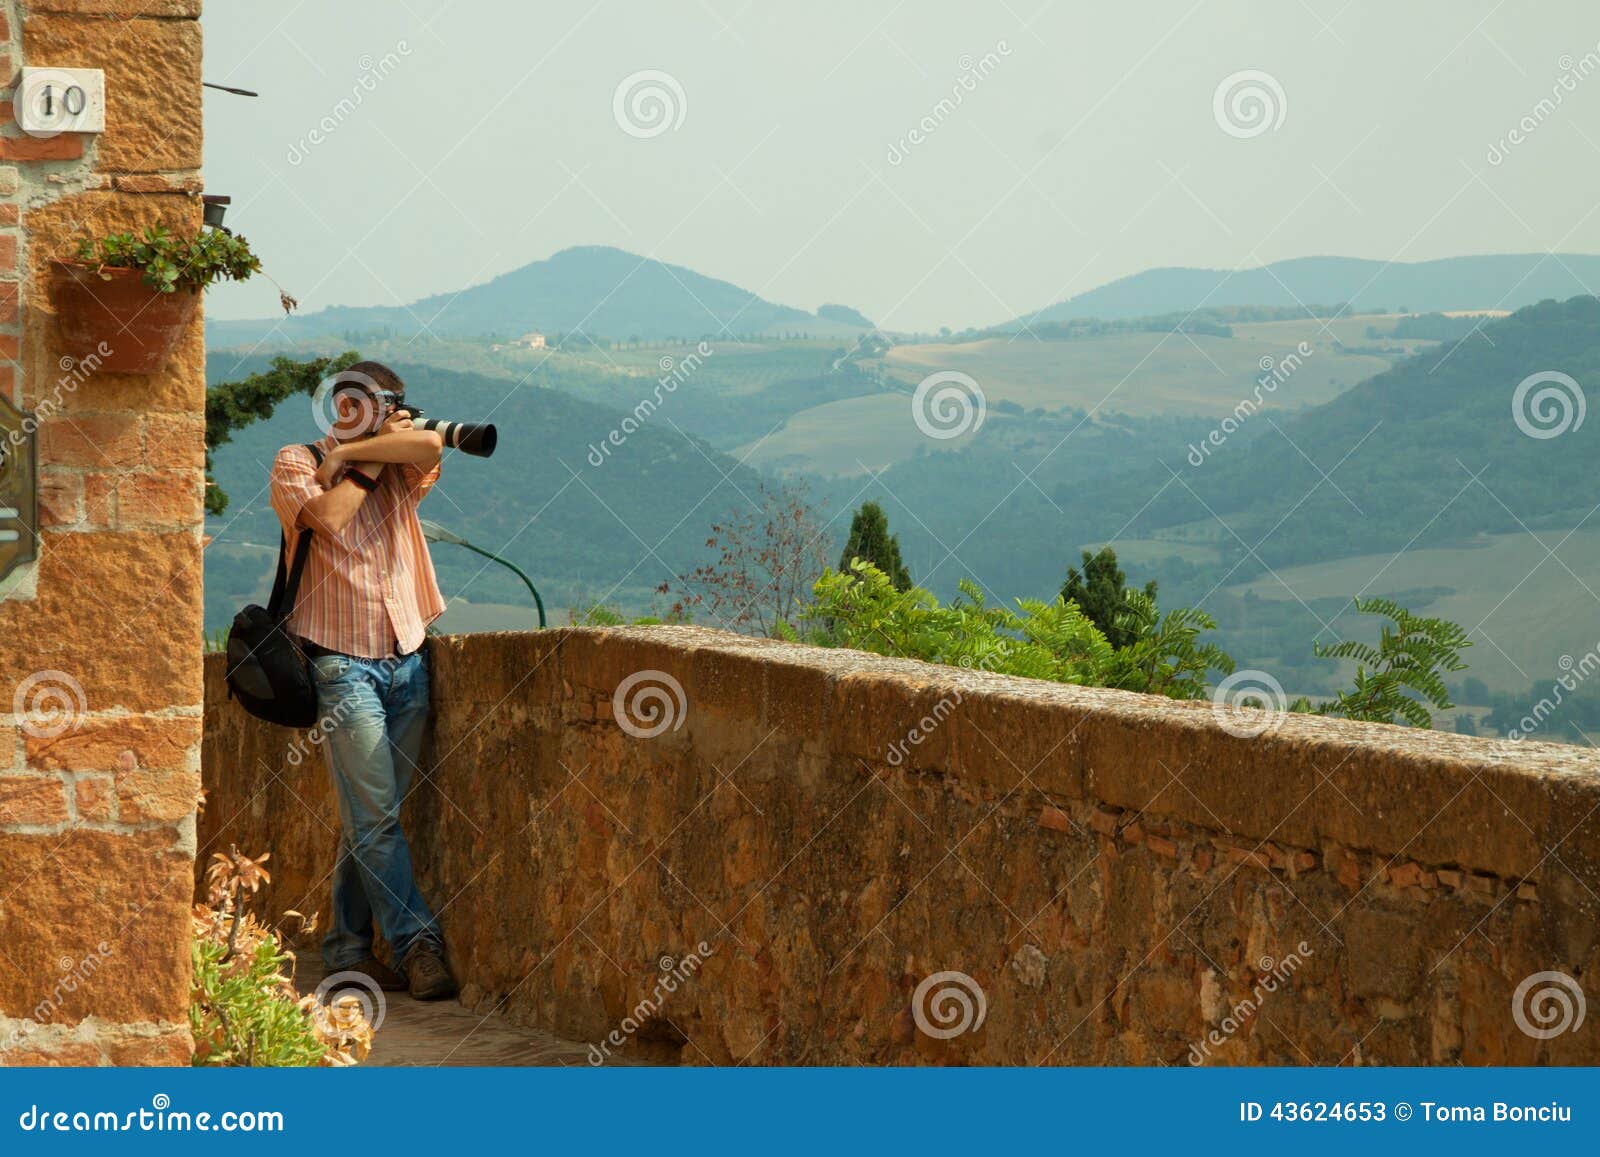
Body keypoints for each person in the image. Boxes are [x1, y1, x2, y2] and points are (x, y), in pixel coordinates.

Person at [268, 360, 457, 1000]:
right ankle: (416, 947)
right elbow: (329, 517)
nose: (386, 413)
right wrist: (360, 464)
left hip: (407, 653)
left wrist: (366, 450)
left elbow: (431, 443)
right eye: (371, 403)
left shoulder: (403, 457)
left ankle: (347, 949)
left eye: (391, 405)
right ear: (342, 405)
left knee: (372, 818)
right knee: (376, 819)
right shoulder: (296, 460)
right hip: (339, 661)